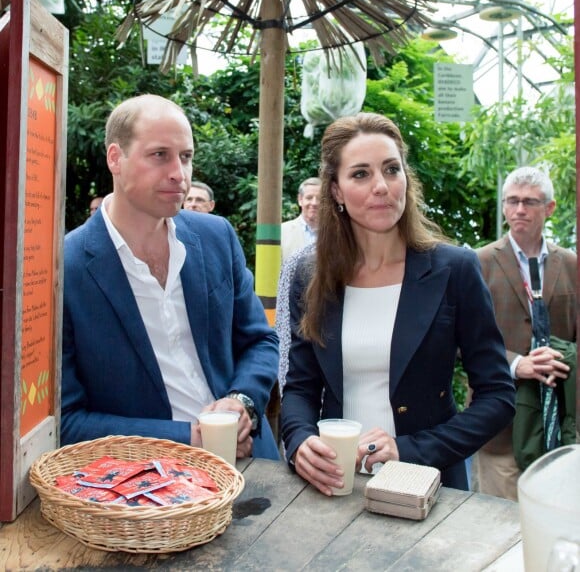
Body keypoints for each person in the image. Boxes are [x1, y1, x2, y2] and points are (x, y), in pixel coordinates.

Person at [281, 112, 516, 495]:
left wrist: (409, 450)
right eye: (360, 174)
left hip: (430, 486)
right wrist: (299, 440)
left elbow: (498, 397)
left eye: (391, 169)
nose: (381, 186)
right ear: (336, 191)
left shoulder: (454, 269)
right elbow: (300, 387)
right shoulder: (311, 275)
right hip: (334, 485)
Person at [61, 94, 280, 460]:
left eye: (186, 156)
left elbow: (260, 341)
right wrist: (187, 438)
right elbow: (67, 422)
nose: (179, 173)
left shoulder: (216, 237)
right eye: (160, 155)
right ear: (115, 158)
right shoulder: (66, 268)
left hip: (253, 463)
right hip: (147, 484)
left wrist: (242, 400)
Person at [474, 166, 576, 501]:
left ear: (550, 208)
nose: (519, 210)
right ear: (504, 206)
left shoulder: (572, 266)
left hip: (561, 426)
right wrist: (518, 364)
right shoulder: (479, 263)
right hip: (500, 427)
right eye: (513, 201)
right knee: (500, 530)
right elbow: (462, 342)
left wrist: (564, 358)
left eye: (530, 202)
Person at [281, 177, 321, 262]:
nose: (314, 203)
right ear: (300, 200)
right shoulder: (282, 232)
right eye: (309, 198)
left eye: (320, 199)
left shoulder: (338, 234)